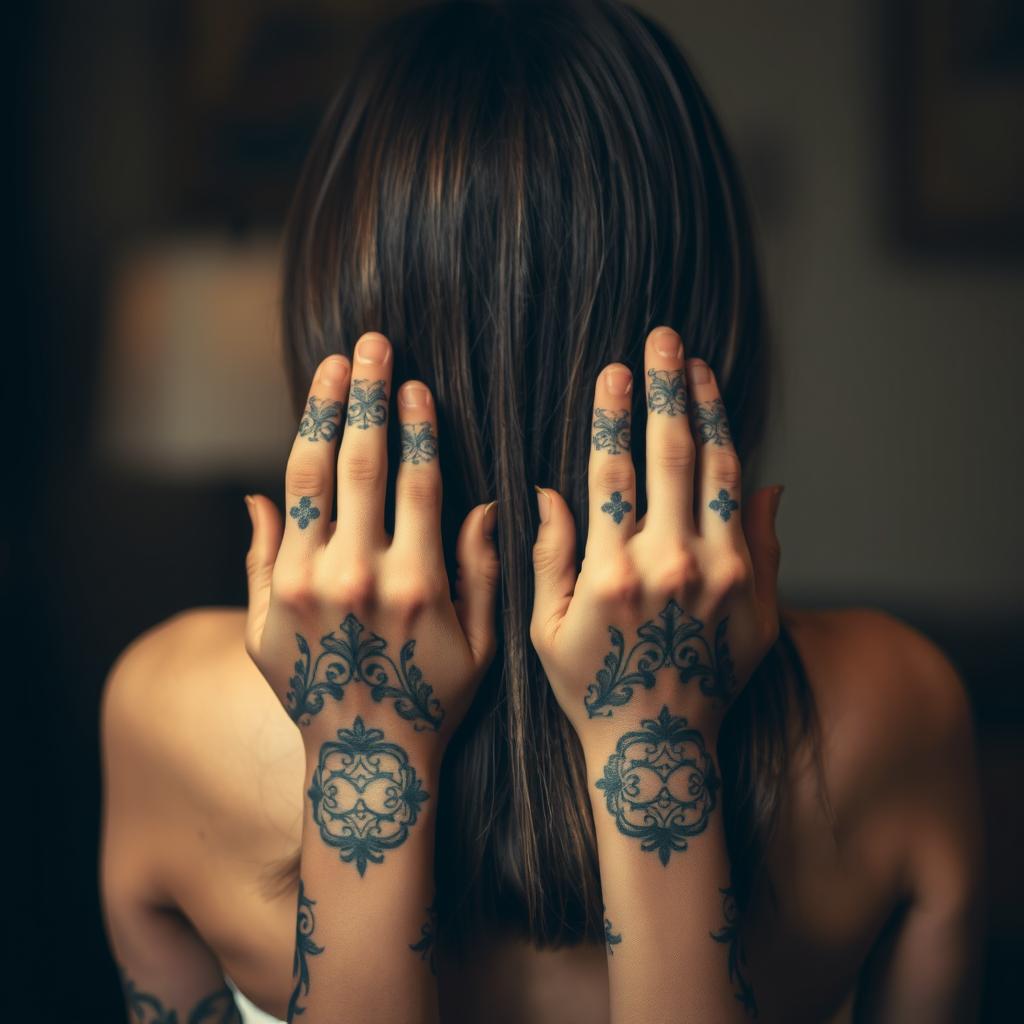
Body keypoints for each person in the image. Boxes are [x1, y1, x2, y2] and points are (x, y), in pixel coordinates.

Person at [99, 2, 984, 1021]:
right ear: (720, 319)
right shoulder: (895, 713)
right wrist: (655, 741)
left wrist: (368, 749)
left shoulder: (169, 713)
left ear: (331, 303)